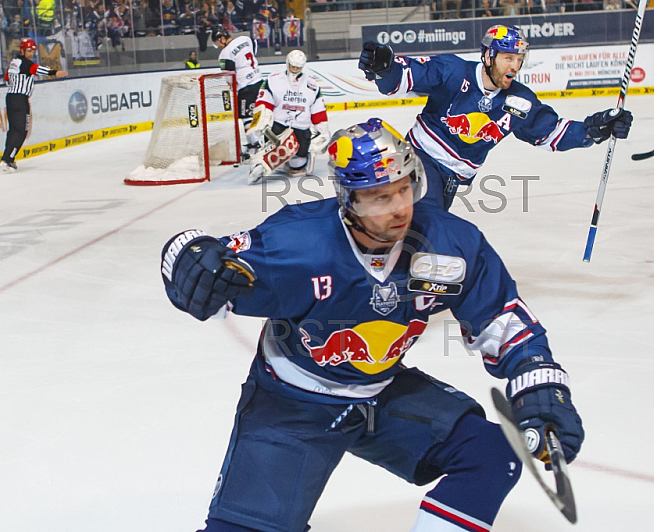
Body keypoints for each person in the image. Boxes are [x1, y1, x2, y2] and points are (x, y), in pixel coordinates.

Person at [160, 117, 584, 532]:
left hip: (382, 395)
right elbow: (209, 274)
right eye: (381, 197)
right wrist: (187, 258)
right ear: (349, 199)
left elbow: (503, 320)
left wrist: (539, 383)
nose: (401, 206)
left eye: (405, 188)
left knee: (490, 454)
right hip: (290, 405)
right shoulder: (299, 243)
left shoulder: (451, 244)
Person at [358, 25, 633, 211]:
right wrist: (384, 67)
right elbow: (404, 78)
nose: (515, 66)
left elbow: (552, 133)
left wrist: (596, 128)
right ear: (489, 55)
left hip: (452, 179)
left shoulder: (520, 101)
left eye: (519, 58)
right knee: (428, 228)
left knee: (424, 230)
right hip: (419, 161)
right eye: (508, 58)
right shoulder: (453, 71)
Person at [247, 49, 330, 183]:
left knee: (298, 165)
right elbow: (263, 102)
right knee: (273, 154)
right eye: (293, 66)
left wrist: (323, 131)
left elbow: (318, 110)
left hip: (301, 129)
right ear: (287, 63)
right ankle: (265, 160)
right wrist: (260, 121)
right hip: (278, 127)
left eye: (298, 67)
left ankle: (296, 159)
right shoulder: (273, 80)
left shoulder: (312, 85)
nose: (295, 69)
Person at [2, 38, 68, 173]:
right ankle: (9, 160)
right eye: (29, 51)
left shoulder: (13, 63)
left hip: (11, 98)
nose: (31, 53)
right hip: (20, 99)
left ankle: (7, 157)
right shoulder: (26, 63)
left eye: (33, 51)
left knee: (14, 129)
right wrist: (55, 72)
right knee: (21, 130)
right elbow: (37, 69)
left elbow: (7, 78)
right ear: (22, 50)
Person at [211, 25, 263, 151]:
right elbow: (254, 48)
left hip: (246, 86)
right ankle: (262, 138)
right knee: (261, 111)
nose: (217, 45)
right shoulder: (244, 39)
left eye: (217, 42)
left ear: (222, 38)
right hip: (259, 80)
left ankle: (254, 142)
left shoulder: (225, 54)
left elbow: (229, 77)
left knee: (246, 115)